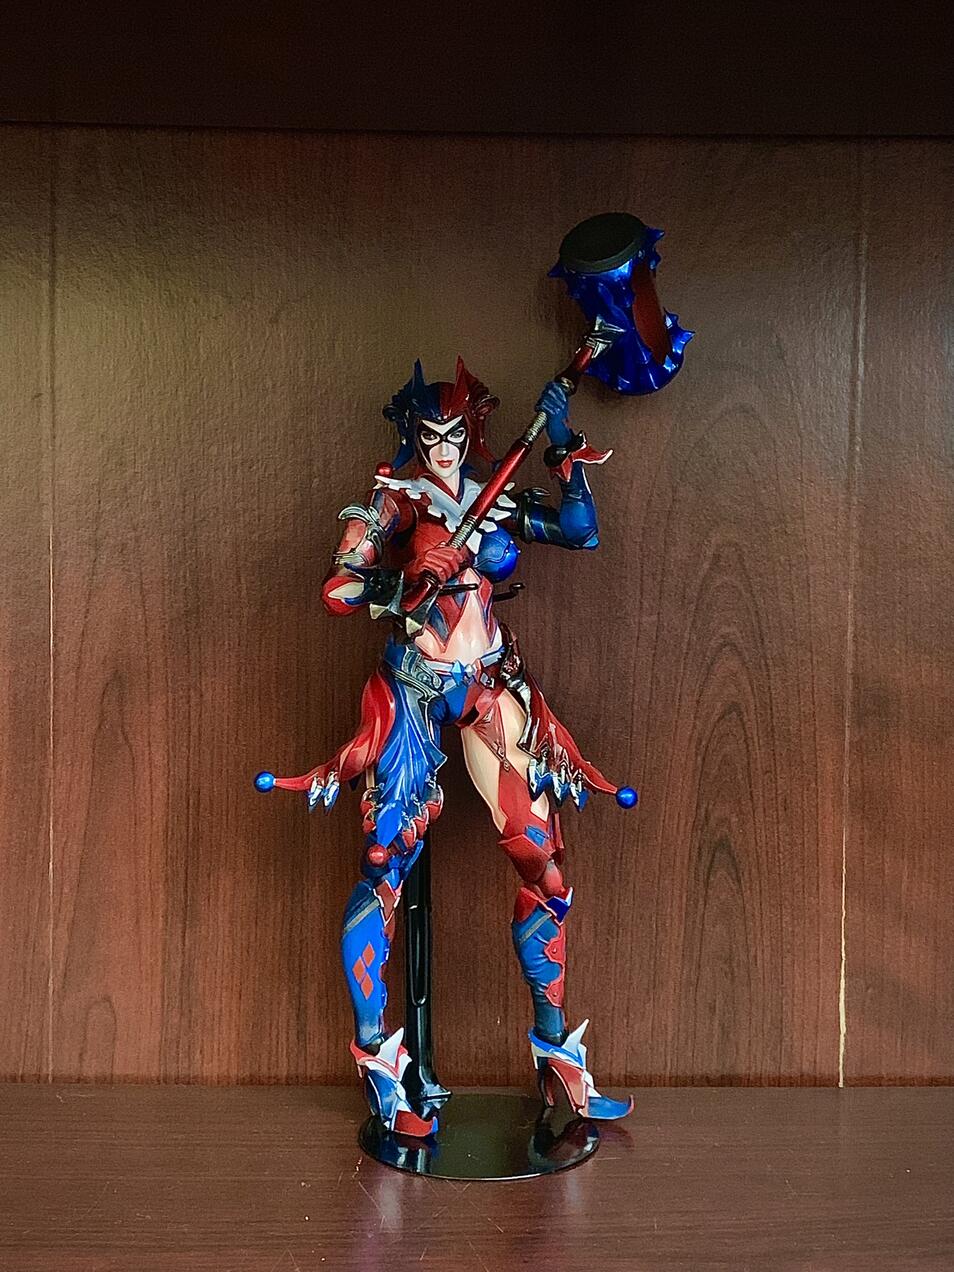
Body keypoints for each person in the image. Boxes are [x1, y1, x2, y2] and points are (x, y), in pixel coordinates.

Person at [268, 358, 635, 1135]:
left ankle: (557, 1058)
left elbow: (580, 531)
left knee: (543, 861)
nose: (441, 447)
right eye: (429, 434)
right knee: (384, 863)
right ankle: (381, 1067)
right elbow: (338, 589)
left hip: (491, 683)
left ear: (473, 433)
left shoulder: (492, 495)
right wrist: (402, 583)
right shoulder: (392, 500)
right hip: (412, 687)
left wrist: (562, 443)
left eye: (454, 434)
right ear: (411, 434)